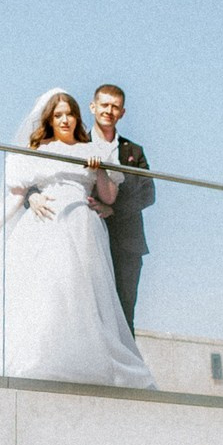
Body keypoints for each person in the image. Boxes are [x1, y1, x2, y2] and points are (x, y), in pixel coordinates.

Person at [0, 89, 155, 388]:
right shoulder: (37, 152)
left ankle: (77, 360)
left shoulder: (93, 150)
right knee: (42, 289)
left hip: (82, 225)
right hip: (44, 224)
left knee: (77, 291)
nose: (65, 119)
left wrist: (101, 171)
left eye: (69, 114)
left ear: (78, 117)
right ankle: (37, 357)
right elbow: (15, 199)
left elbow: (108, 196)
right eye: (58, 115)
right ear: (49, 120)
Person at [85, 83, 154, 329]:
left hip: (126, 242)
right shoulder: (76, 142)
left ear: (122, 112)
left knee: (124, 314)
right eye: (104, 105)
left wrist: (113, 209)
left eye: (115, 107)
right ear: (93, 107)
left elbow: (148, 193)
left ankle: (127, 367)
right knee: (86, 309)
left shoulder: (134, 150)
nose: (109, 111)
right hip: (86, 237)